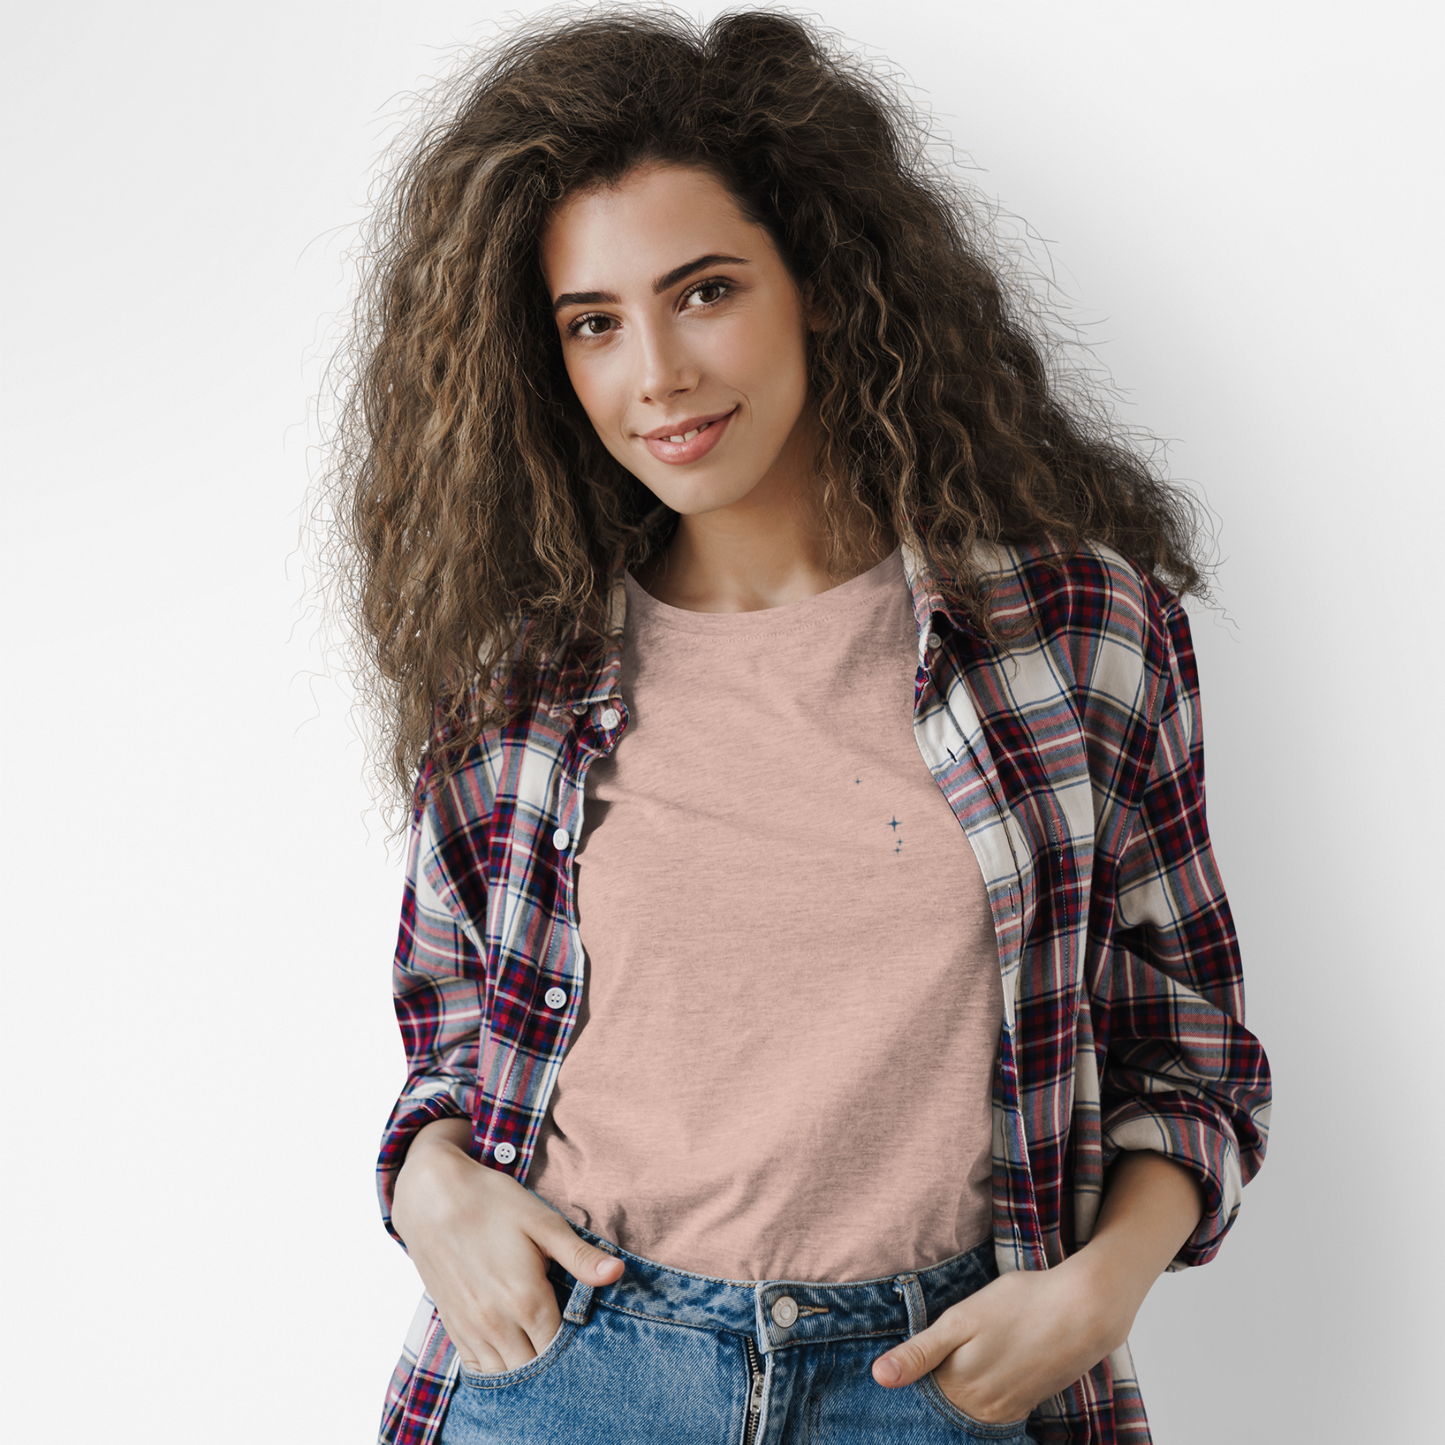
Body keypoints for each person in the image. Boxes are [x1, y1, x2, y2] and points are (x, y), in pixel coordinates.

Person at [324, 11, 1271, 1444]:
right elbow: (452, 1036)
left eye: (704, 292)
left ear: (817, 282)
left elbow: (1186, 1047)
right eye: (593, 323)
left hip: (944, 1382)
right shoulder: (516, 675)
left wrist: (1099, 1291)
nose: (657, 373)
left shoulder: (1078, 638)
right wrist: (424, 1179)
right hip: (573, 1374)